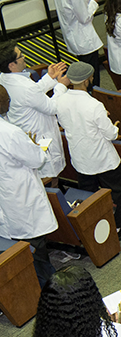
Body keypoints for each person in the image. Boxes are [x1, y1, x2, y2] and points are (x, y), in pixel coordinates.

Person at [53, 61, 121, 238]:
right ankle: (119, 227)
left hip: (80, 158)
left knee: (88, 195)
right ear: (86, 80)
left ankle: (94, 224)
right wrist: (115, 126)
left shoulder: (59, 100)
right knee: (117, 192)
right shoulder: (94, 105)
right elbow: (111, 134)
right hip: (102, 159)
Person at [0, 87, 59, 282]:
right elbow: (36, 159)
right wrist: (35, 146)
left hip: (7, 195)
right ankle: (49, 288)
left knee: (17, 243)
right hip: (20, 195)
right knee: (36, 246)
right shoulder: (10, 133)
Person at [0, 43, 67, 181]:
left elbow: (33, 95)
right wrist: (61, 85)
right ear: (11, 65)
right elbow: (53, 107)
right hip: (41, 140)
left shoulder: (4, 78)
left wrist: (49, 77)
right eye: (20, 56)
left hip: (27, 136)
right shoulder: (25, 87)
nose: (24, 57)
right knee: (50, 181)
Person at [51, 0, 104, 73]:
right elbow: (85, 17)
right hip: (84, 40)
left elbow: (75, 6)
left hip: (73, 37)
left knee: (85, 72)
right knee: (91, 75)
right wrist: (95, 0)